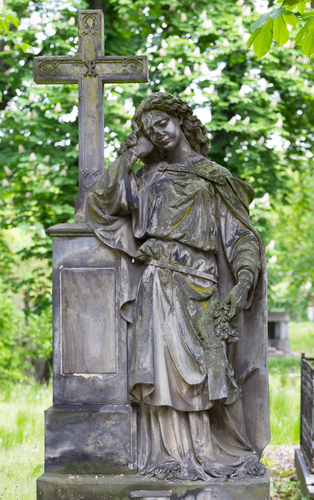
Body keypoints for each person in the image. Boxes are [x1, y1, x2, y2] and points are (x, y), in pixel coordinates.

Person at [87, 92, 270, 481]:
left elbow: (241, 237)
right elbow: (101, 204)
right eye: (149, 130)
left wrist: (244, 279)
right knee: (161, 377)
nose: (159, 133)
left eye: (163, 124)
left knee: (205, 374)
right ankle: (168, 454)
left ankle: (207, 451)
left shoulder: (212, 177)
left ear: (181, 122)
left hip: (201, 285)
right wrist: (129, 155)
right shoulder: (147, 178)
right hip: (157, 284)